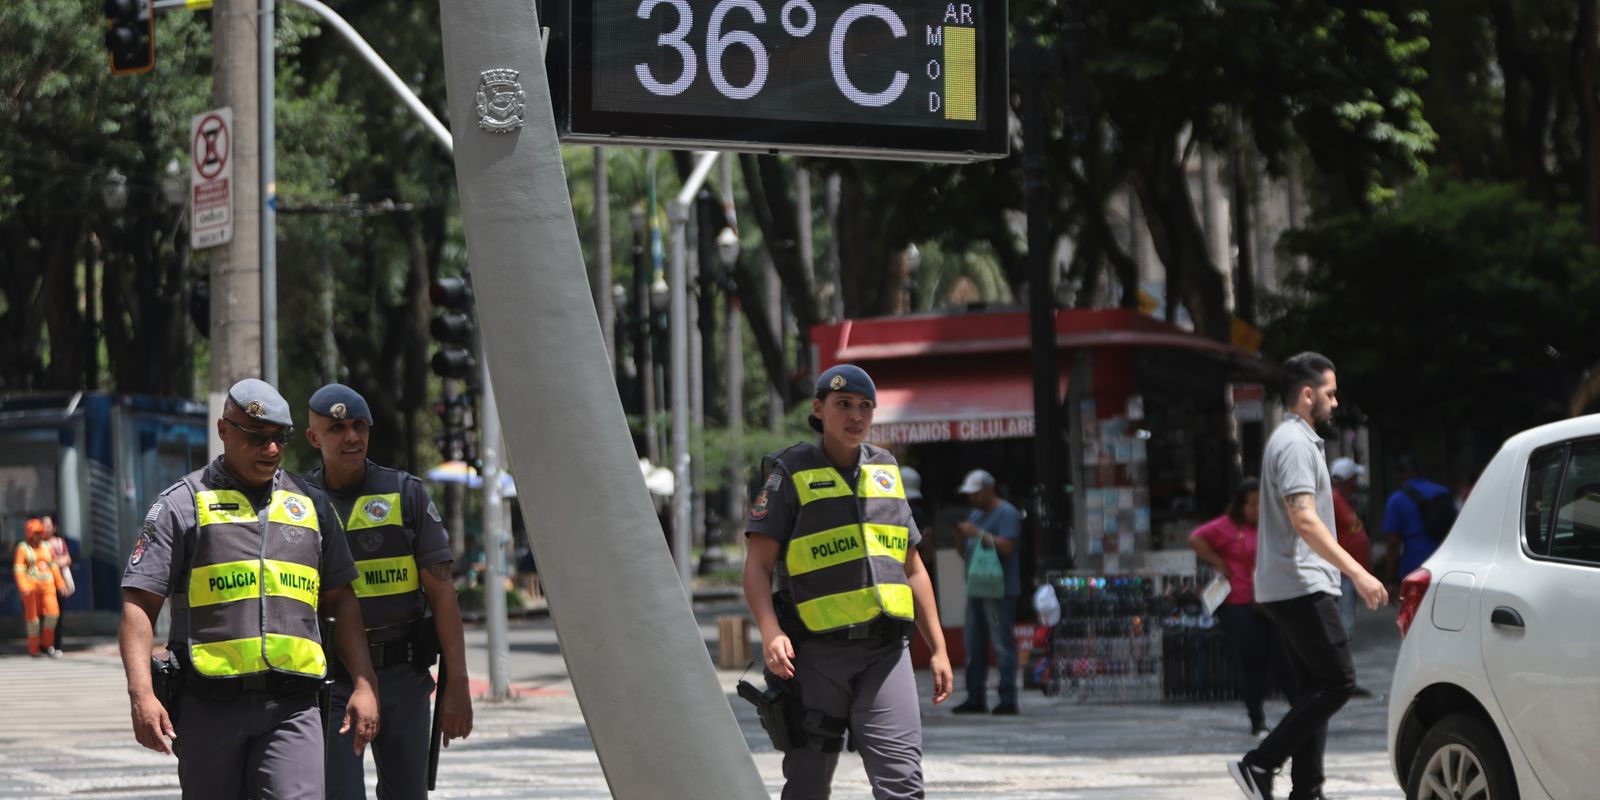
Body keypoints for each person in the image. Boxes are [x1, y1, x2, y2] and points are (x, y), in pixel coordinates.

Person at [118, 378, 382, 799]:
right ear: (224, 430)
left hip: (293, 706)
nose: (271, 449)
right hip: (208, 707)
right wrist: (141, 693)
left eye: (281, 438)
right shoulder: (182, 504)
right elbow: (139, 603)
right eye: (257, 437)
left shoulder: (311, 505)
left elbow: (340, 599)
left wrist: (365, 683)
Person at [743, 364, 953, 799]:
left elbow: (913, 568)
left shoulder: (886, 470)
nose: (855, 415)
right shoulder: (789, 472)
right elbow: (757, 566)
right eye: (843, 404)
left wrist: (938, 648)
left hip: (885, 654)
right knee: (808, 786)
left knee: (903, 784)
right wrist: (770, 631)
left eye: (865, 406)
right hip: (815, 656)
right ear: (819, 409)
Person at [302, 383, 474, 799]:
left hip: (403, 675)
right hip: (333, 681)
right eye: (337, 428)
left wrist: (457, 683)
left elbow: (443, 594)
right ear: (313, 437)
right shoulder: (298, 501)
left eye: (359, 426)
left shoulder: (404, 492)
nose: (352, 437)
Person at [1228, 353, 1387, 800]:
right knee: (1338, 682)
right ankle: (1260, 763)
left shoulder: (1294, 441)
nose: (1335, 403)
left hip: (1292, 583)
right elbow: (1304, 519)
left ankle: (1307, 792)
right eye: (1330, 394)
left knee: (1313, 688)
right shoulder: (1295, 444)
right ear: (1307, 394)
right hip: (1301, 582)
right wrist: (1358, 573)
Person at [1189, 477, 1297, 738]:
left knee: (1284, 658)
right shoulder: (1226, 526)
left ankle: (1300, 712)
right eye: (1252, 505)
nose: (1257, 510)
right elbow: (1196, 538)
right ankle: (1257, 720)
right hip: (1238, 601)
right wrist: (1218, 561)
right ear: (1240, 505)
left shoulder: (1273, 524)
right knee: (1252, 659)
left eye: (1262, 504)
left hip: (1273, 599)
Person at [950, 468, 1023, 717]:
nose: (972, 498)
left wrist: (977, 533)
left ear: (989, 490)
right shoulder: (975, 514)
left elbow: (1008, 546)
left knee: (1002, 643)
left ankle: (1007, 698)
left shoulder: (1007, 513)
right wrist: (961, 537)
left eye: (976, 493)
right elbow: (966, 552)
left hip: (999, 590)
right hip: (976, 588)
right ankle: (975, 696)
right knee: (973, 643)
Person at [1381, 455, 1451, 592]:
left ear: (1400, 474)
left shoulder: (1397, 500)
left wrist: (1389, 580)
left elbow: (1392, 544)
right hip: (1444, 568)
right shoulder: (1443, 492)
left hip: (1413, 571)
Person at [1328, 458, 1371, 637]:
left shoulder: (1343, 500)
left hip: (1349, 572)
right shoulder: (1332, 500)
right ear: (1348, 480)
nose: (1356, 483)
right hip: (1342, 574)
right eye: (1354, 478)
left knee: (1346, 621)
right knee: (1344, 624)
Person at [14, 517, 67, 658]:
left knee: (53, 615)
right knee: (33, 621)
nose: (38, 536)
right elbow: (19, 570)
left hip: (48, 587)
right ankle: (34, 649)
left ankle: (47, 645)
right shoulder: (23, 548)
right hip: (31, 589)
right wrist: (23, 587)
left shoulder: (47, 547)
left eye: (40, 533)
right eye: (35, 533)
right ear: (30, 534)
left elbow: (54, 567)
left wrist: (61, 584)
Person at [41, 514, 74, 650]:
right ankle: (45, 644)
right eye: (43, 525)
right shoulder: (38, 543)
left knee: (57, 616)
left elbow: (68, 559)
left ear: (54, 527)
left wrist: (56, 562)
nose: (44, 528)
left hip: (59, 585)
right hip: (43, 585)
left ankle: (57, 645)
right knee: (44, 616)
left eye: (48, 526)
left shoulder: (59, 542)